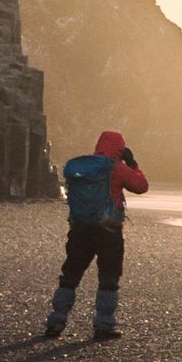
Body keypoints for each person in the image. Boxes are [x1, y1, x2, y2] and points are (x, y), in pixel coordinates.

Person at [43, 129, 147, 339]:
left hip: (80, 229)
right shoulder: (116, 168)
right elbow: (141, 186)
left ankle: (55, 321)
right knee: (108, 277)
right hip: (109, 231)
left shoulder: (82, 167)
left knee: (70, 275)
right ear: (120, 148)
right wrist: (133, 164)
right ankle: (103, 325)